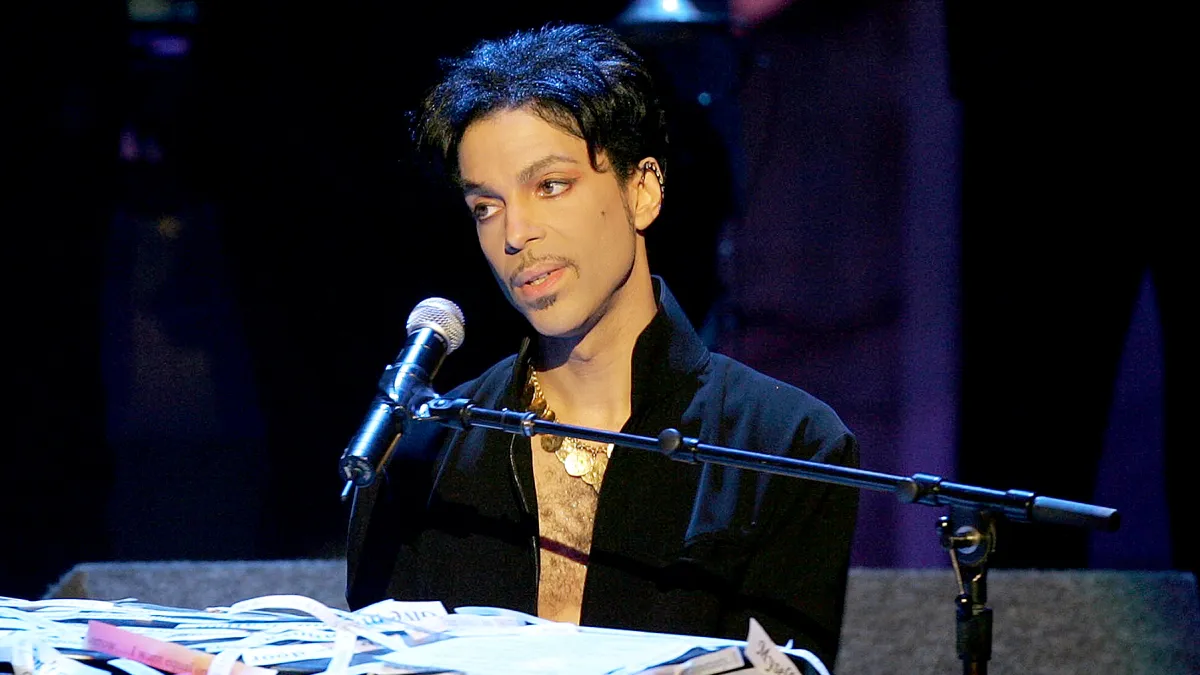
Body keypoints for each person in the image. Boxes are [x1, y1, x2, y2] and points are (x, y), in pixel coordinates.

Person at [345, 22, 860, 666]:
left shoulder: (787, 444)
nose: (516, 234)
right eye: (486, 206)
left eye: (550, 186)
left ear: (641, 190)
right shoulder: (425, 450)